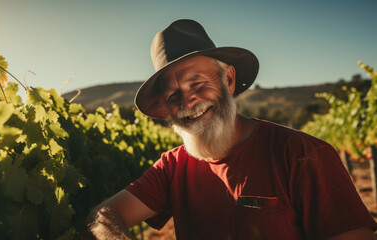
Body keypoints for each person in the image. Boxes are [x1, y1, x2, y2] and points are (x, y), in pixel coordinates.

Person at [82, 19, 377, 240]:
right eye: (173, 96)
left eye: (198, 84)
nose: (188, 102)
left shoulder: (303, 155)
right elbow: (104, 215)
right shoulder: (172, 166)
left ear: (229, 81)